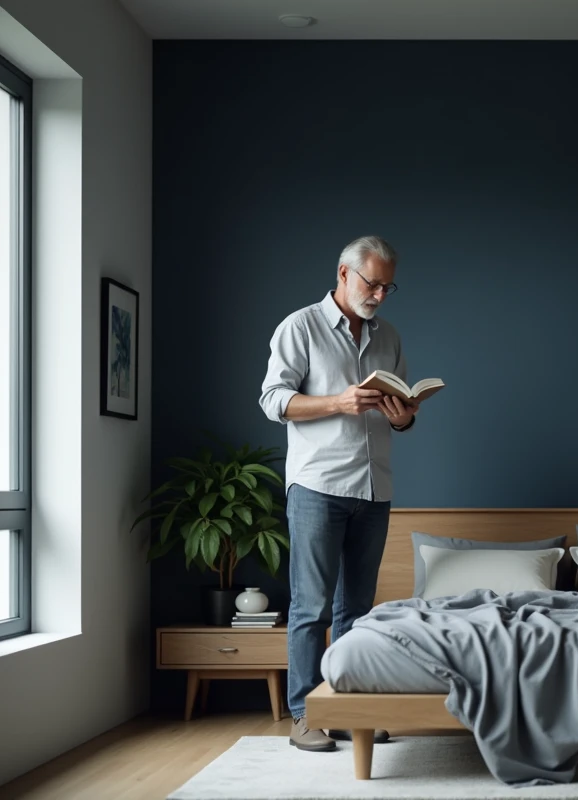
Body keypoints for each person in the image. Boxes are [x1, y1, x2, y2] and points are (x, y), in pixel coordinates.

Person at [259, 235, 417, 752]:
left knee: (358, 610)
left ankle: (346, 709)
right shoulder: (300, 327)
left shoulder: (389, 336)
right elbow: (273, 400)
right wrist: (337, 402)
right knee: (311, 608)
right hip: (318, 486)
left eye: (388, 287)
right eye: (373, 283)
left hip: (374, 488)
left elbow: (400, 412)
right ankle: (305, 714)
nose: (380, 295)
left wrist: (404, 416)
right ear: (344, 273)